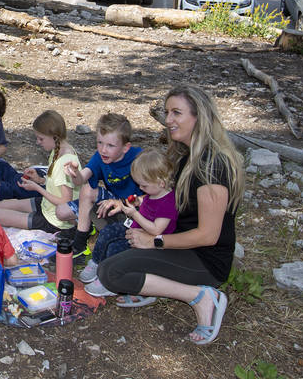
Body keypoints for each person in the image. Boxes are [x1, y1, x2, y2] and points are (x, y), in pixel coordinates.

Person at [97, 85, 245, 346]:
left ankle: (201, 297)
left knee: (111, 273)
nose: (168, 120)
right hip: (174, 239)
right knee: (117, 244)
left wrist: (155, 242)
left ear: (199, 117)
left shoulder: (212, 166)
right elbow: (161, 199)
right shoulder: (183, 155)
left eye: (177, 113)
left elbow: (208, 236)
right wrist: (127, 207)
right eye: (167, 112)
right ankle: (152, 286)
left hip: (204, 259)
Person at [80, 149, 178, 297]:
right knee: (108, 231)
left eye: (144, 186)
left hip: (149, 242)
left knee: (115, 248)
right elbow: (141, 199)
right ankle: (96, 262)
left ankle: (108, 282)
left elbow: (157, 230)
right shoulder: (154, 192)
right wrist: (133, 201)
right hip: (135, 229)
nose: (140, 188)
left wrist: (134, 214)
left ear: (161, 183)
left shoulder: (168, 203)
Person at [59, 113, 142, 256]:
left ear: (125, 148)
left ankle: (81, 240)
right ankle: (86, 231)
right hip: (112, 201)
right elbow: (81, 179)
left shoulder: (139, 158)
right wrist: (74, 173)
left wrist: (121, 203)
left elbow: (153, 195)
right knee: (61, 211)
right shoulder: (100, 157)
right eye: (100, 143)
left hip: (137, 206)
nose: (103, 149)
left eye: (110, 145)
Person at [0, 110, 80, 235]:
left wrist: (37, 188)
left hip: (55, 221)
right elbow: (57, 185)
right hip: (47, 205)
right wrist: (39, 180)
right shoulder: (58, 150)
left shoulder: (65, 162)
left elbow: (65, 203)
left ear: (54, 136)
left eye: (41, 138)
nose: (38, 142)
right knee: (0, 205)